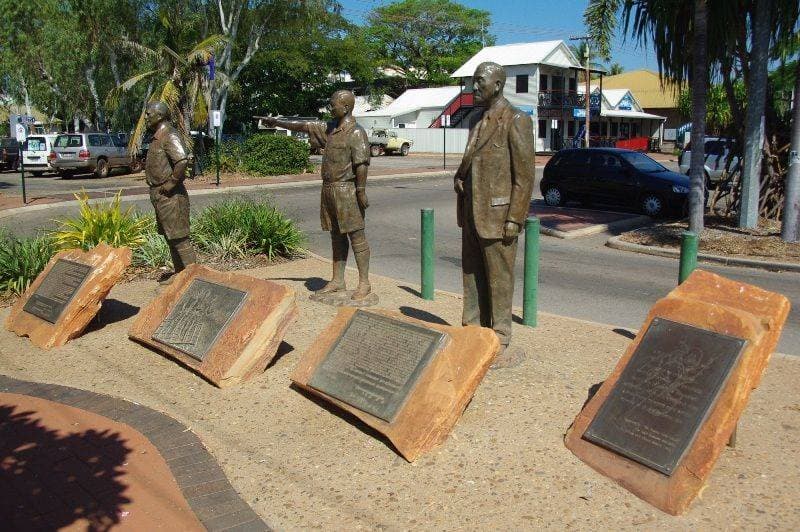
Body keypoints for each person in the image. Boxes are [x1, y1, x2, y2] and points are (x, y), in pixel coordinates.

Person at [454, 62, 535, 352]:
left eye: (480, 82)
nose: (474, 87)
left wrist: (515, 218)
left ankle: (500, 335)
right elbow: (469, 165)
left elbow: (524, 177)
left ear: (498, 85)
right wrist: (459, 181)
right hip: (472, 215)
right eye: (473, 81)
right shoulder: (477, 121)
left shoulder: (516, 120)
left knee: (499, 280)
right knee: (472, 275)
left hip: (499, 217)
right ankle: (472, 328)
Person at [263, 90, 372, 300]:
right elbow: (303, 126)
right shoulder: (330, 129)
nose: (330, 108)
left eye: (333, 105)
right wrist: (277, 122)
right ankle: (337, 280)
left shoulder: (356, 132)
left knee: (357, 236)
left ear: (346, 107)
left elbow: (361, 165)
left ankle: (364, 283)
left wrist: (361, 190)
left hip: (347, 190)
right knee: (336, 237)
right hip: (329, 189)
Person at [144, 101, 196, 285]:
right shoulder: (157, 137)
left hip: (171, 196)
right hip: (159, 194)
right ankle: (181, 274)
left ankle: (195, 279)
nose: (146, 117)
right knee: (170, 236)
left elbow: (181, 161)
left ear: (160, 116)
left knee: (179, 237)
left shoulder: (169, 135)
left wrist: (171, 183)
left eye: (149, 114)